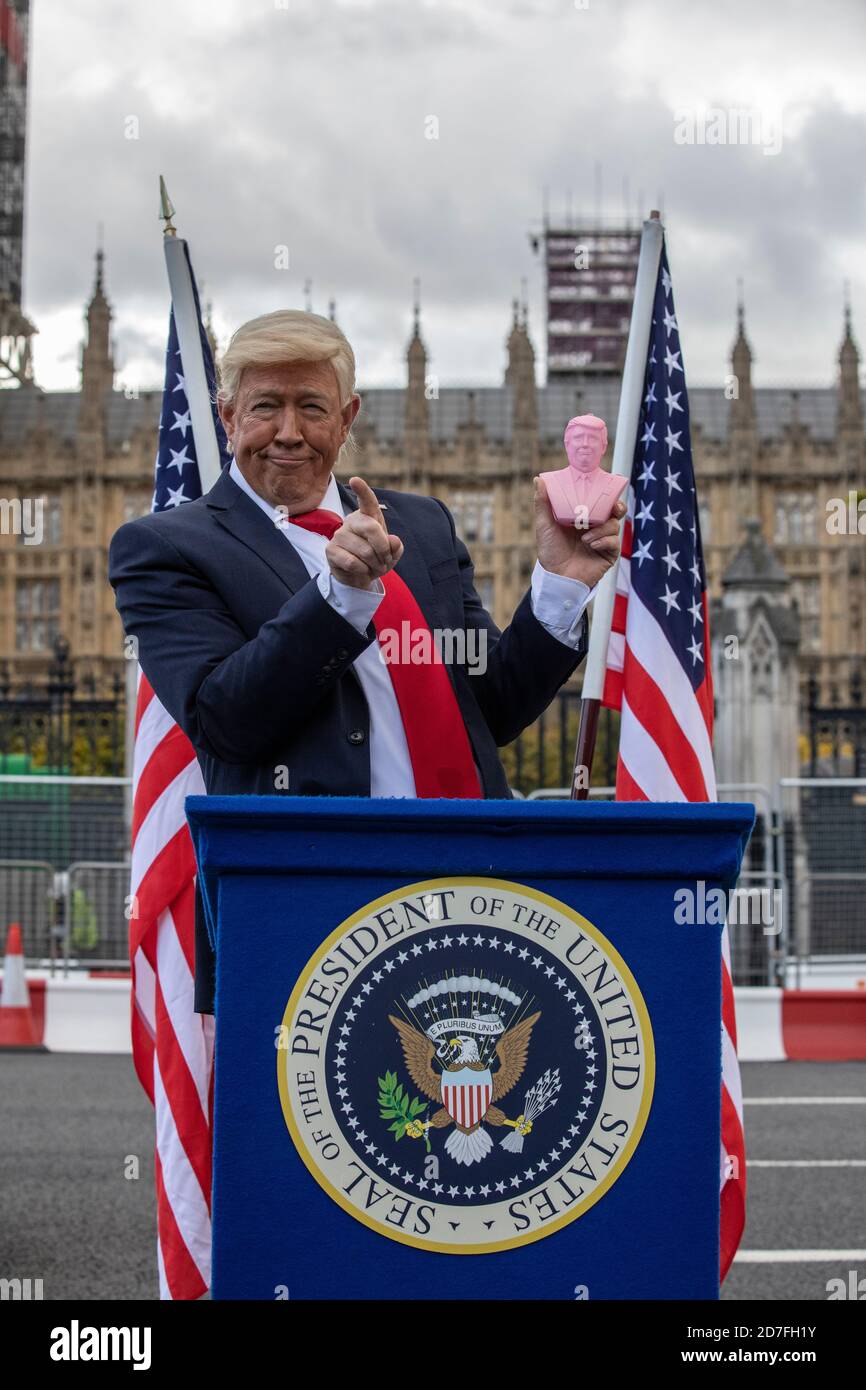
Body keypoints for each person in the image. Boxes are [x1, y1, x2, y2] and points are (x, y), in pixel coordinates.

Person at [109, 309, 625, 1009]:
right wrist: (340, 597)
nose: (288, 431)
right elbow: (225, 718)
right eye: (265, 406)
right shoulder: (166, 548)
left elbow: (490, 709)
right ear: (228, 416)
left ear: (346, 418)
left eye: (311, 407)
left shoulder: (422, 524)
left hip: (469, 895)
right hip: (304, 904)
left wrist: (561, 585)